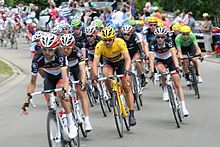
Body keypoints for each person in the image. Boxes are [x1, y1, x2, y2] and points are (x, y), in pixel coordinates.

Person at [20, 33, 78, 139]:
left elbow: (65, 77)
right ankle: (56, 128)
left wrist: (65, 90)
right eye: (44, 49)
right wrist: (26, 101)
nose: (47, 52)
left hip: (61, 76)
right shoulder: (37, 58)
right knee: (49, 102)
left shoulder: (61, 55)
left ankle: (71, 123)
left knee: (61, 94)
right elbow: (32, 82)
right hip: (49, 77)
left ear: (55, 49)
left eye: (50, 50)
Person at [93, 27, 136, 126]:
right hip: (108, 62)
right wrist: (95, 75)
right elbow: (95, 64)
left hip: (121, 63)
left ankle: (132, 114)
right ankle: (111, 93)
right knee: (106, 75)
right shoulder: (99, 46)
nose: (107, 42)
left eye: (109, 40)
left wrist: (127, 70)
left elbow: (128, 58)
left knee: (126, 87)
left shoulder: (120, 42)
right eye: (105, 40)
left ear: (113, 38)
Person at [149, 27, 189, 116]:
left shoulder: (169, 41)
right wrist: (152, 72)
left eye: (162, 37)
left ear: (165, 37)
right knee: (161, 70)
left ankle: (183, 106)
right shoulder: (152, 43)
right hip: (159, 60)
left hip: (170, 59)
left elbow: (174, 56)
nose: (160, 39)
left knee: (177, 83)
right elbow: (151, 59)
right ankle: (166, 89)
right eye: (158, 37)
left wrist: (177, 67)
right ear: (155, 37)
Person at [60, 33, 92, 131]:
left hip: (76, 69)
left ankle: (87, 120)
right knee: (63, 92)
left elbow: (82, 70)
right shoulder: (59, 53)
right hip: (64, 70)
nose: (65, 50)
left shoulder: (77, 52)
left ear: (72, 46)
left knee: (81, 92)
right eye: (63, 48)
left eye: (68, 48)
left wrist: (82, 82)